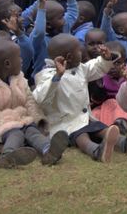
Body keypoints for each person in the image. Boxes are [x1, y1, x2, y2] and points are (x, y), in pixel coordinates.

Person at [0, 40, 68, 168]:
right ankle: (7, 154)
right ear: (8, 64)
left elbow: (30, 103)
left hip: (24, 121)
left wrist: (39, 121)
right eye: (18, 57)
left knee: (32, 131)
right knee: (16, 134)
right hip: (2, 126)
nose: (21, 60)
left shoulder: (20, 81)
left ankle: (49, 150)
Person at [33, 33, 121, 162]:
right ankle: (95, 150)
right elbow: (41, 98)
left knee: (100, 128)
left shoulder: (80, 68)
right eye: (78, 51)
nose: (82, 54)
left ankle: (124, 142)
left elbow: (94, 67)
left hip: (84, 118)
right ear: (69, 57)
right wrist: (57, 77)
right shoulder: (47, 75)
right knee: (81, 136)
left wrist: (105, 59)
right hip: (65, 123)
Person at [88, 41, 127, 157]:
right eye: (109, 63)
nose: (112, 67)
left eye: (117, 63)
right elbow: (97, 100)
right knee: (95, 115)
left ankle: (122, 127)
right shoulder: (100, 75)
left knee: (119, 105)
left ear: (125, 61)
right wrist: (99, 84)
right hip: (106, 108)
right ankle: (113, 134)